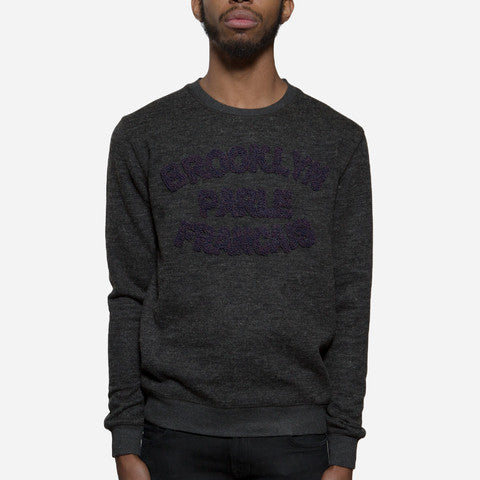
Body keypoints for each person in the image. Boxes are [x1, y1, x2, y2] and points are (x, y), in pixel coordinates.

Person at [103, 1, 373, 479]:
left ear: (287, 6)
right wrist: (124, 439)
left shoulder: (339, 140)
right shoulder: (142, 135)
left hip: (300, 440)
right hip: (172, 436)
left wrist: (344, 447)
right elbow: (129, 294)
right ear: (196, 4)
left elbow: (351, 301)